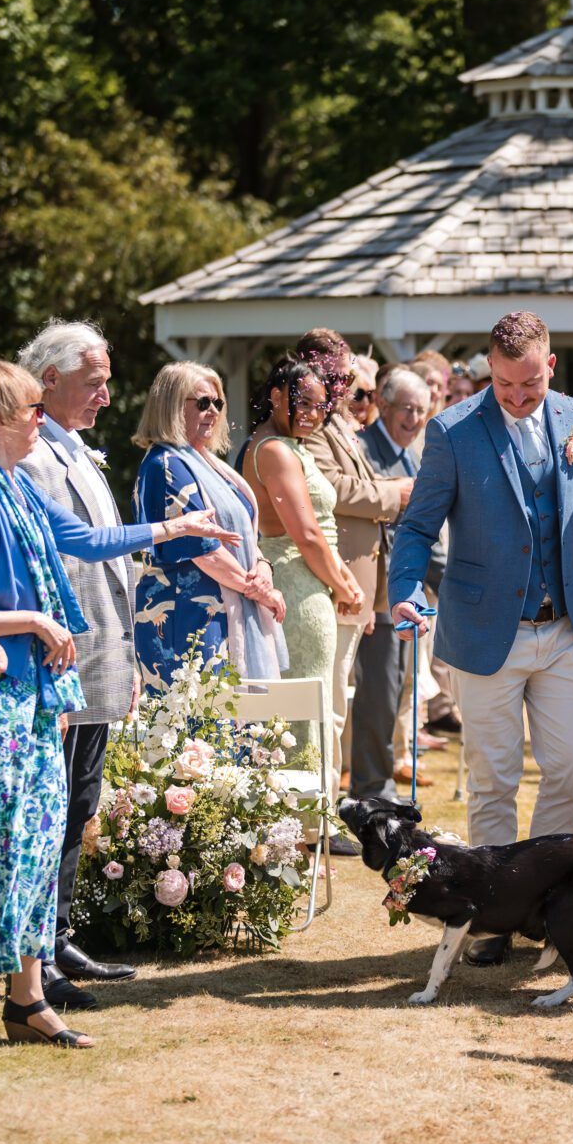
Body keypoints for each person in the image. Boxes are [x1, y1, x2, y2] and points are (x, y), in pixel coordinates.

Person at [0, 361, 233, 1053]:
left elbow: (85, 540)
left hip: (32, 697)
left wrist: (172, 530)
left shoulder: (17, 487)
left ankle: (26, 1002)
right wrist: (31, 620)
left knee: (35, 842)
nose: (41, 419)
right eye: (31, 409)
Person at [388, 311, 573, 967]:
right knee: (493, 777)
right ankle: (491, 918)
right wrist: (406, 589)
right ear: (490, 368)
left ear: (550, 366)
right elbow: (419, 526)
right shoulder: (452, 430)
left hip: (562, 626)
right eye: (505, 383)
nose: (516, 396)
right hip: (485, 632)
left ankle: (554, 901)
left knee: (570, 764)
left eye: (530, 384)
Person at [17, 321, 149, 1008]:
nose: (106, 395)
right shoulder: (33, 455)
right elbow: (57, 561)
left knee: (80, 802)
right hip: (64, 656)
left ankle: (59, 934)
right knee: (55, 805)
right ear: (50, 380)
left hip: (97, 654)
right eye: (93, 382)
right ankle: (37, 954)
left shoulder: (72, 448)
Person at [259, 329, 407, 798]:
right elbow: (327, 508)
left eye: (349, 381)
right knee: (324, 706)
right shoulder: (294, 439)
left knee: (335, 704)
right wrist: (395, 494)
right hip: (315, 582)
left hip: (343, 582)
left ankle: (329, 807)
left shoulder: (324, 424)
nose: (345, 389)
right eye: (339, 379)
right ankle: (317, 812)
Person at [132, 362, 288, 697]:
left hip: (225, 611)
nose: (214, 411)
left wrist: (263, 568)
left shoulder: (209, 464)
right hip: (188, 622)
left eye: (218, 403)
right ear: (172, 406)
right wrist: (258, 591)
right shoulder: (165, 465)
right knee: (202, 724)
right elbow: (202, 547)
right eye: (203, 403)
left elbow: (247, 537)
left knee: (242, 724)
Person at [355, 368, 436, 799]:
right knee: (378, 696)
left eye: (422, 410)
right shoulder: (364, 449)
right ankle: (373, 788)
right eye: (407, 409)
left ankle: (381, 782)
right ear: (383, 405)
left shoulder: (411, 455)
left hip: (405, 594)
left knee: (398, 693)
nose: (415, 419)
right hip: (376, 592)